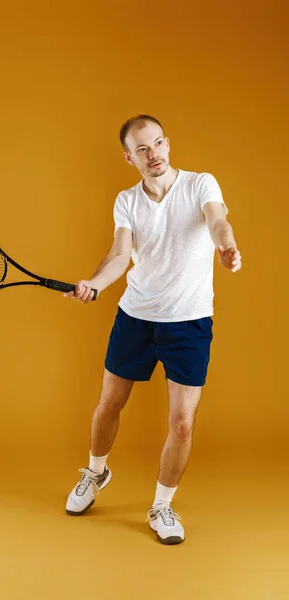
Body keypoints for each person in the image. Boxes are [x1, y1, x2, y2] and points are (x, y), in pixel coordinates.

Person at [63, 115, 242, 545]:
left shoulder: (201, 184)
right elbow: (120, 253)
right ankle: (95, 473)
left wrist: (226, 245)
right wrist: (95, 284)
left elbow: (217, 220)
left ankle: (162, 505)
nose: (154, 154)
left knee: (182, 423)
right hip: (136, 317)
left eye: (158, 143)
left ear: (167, 143)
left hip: (190, 321)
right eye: (142, 149)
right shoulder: (127, 201)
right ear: (130, 157)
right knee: (108, 405)